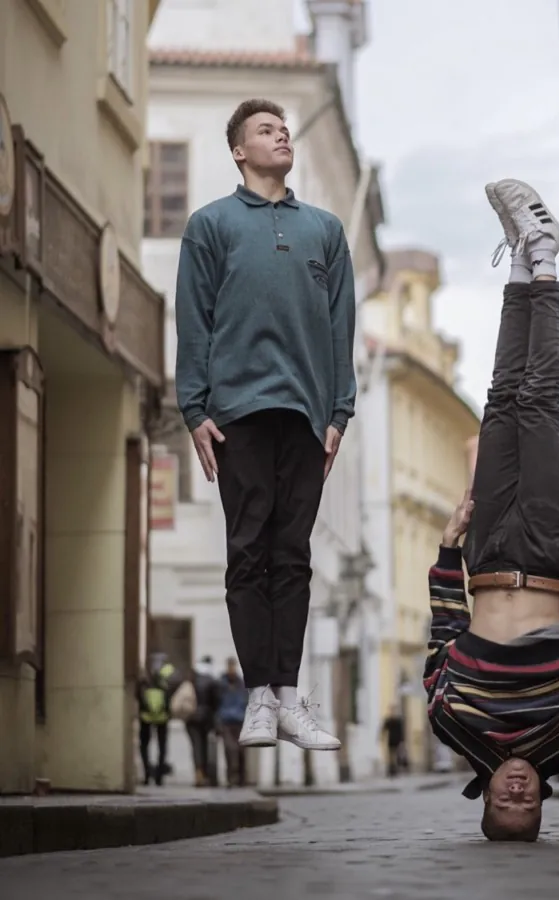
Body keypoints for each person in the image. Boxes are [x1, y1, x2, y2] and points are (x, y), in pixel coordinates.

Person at [423, 180, 559, 842]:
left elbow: (443, 634)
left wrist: (445, 553)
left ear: (484, 797)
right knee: (538, 402)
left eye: (503, 804)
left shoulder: (452, 722)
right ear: (542, 802)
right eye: (527, 805)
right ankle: (546, 259)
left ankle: (520, 259)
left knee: (498, 401)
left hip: (487, 555)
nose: (516, 792)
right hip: (551, 557)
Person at [174, 98, 354, 753]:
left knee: (293, 557)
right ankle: (257, 697)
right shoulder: (211, 225)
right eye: (265, 130)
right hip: (237, 413)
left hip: (307, 414)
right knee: (247, 551)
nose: (280, 136)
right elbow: (193, 321)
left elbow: (341, 327)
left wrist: (339, 410)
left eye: (283, 129)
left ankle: (288, 697)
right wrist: (194, 409)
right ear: (239, 151)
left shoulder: (325, 230)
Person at [137, 656, 178, 786]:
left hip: (146, 717)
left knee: (144, 746)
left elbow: (138, 695)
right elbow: (172, 692)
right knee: (162, 746)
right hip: (162, 717)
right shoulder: (168, 673)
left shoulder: (144, 676)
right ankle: (159, 777)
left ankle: (147, 774)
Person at [184, 657, 222, 787]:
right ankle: (205, 774)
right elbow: (216, 702)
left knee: (196, 746)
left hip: (191, 717)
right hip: (206, 719)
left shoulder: (191, 678)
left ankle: (198, 773)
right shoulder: (212, 680)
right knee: (205, 746)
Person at [216, 658, 249, 787]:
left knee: (241, 751)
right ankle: (231, 778)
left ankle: (242, 778)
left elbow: (247, 701)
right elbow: (216, 702)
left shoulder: (241, 683)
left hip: (240, 721)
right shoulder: (221, 684)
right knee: (229, 750)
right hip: (226, 721)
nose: (231, 669)